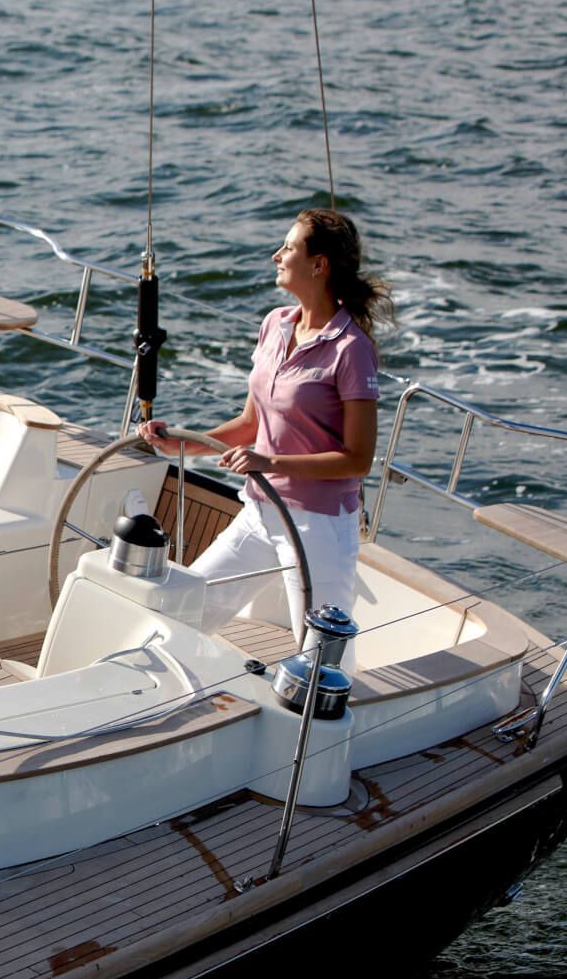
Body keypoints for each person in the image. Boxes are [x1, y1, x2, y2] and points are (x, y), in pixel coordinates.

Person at [138, 209, 391, 650]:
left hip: (318, 525)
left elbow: (357, 459)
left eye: (288, 248)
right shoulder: (275, 324)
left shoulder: (352, 349)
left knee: (321, 656)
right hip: (260, 510)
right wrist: (177, 442)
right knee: (179, 615)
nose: (276, 255)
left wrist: (268, 461)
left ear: (319, 265)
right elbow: (251, 424)